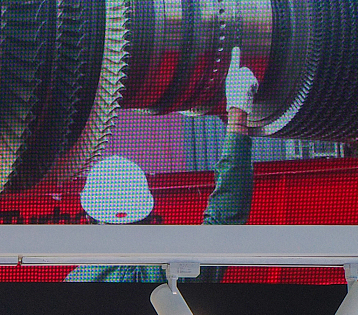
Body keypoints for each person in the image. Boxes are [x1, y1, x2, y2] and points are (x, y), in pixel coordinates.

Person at [65, 50, 258, 284]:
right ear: (148, 219)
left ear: (88, 219)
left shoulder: (77, 284)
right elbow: (224, 224)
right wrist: (238, 113)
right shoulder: (168, 276)